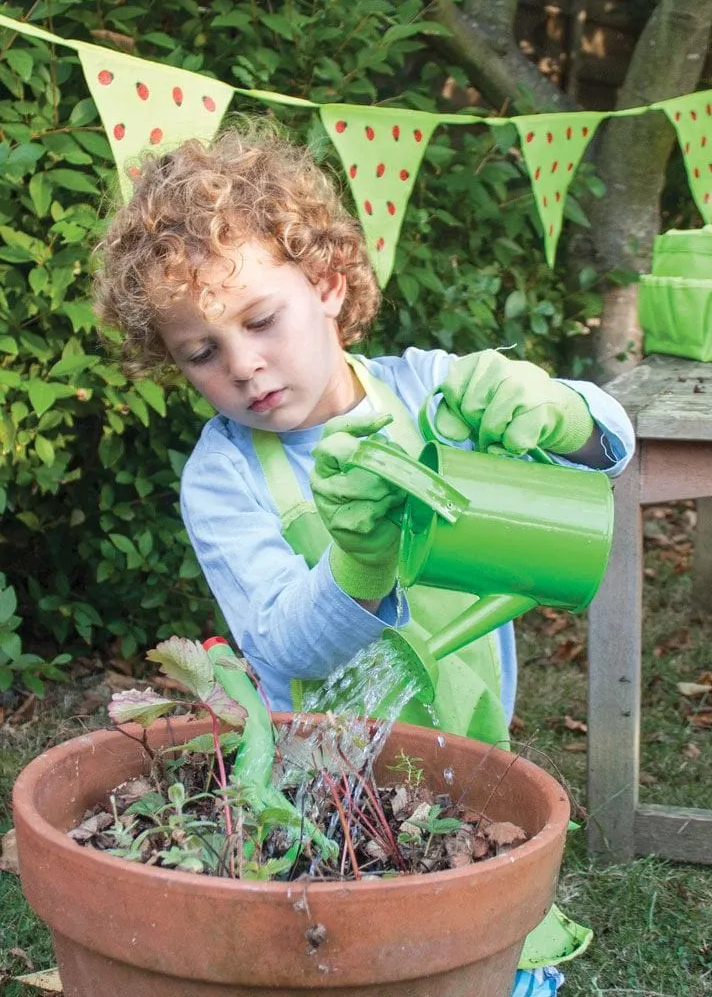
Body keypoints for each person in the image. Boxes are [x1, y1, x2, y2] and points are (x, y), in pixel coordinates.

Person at [92, 119, 635, 991]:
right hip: (323, 777)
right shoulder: (225, 478)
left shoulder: (429, 393)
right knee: (350, 946)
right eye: (203, 352)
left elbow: (613, 442)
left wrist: (564, 413)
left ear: (328, 284)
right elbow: (278, 647)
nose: (245, 367)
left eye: (261, 320)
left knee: (470, 937)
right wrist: (357, 559)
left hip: (473, 749)